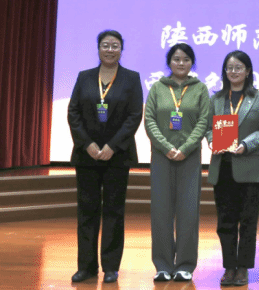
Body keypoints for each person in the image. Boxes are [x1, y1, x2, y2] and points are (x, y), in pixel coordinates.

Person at [67, 30, 143, 284]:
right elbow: (73, 112)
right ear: (98, 48)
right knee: (87, 211)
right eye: (105, 45)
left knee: (113, 211)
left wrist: (113, 145)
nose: (110, 50)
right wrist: (87, 143)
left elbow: (134, 116)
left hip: (117, 156)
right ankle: (86, 266)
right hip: (86, 155)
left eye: (115, 46)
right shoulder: (84, 77)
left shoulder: (131, 78)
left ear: (122, 49)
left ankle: (111, 266)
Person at [144, 43, 210, 282]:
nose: (181, 63)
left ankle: (185, 265)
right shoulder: (157, 88)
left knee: (188, 213)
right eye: (176, 59)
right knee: (161, 212)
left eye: (186, 59)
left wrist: (185, 148)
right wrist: (166, 147)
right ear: (169, 62)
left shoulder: (200, 89)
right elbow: (149, 120)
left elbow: (204, 121)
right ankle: (162, 265)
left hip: (190, 158)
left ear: (192, 63)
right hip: (161, 157)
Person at [206, 51, 259, 287]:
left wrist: (245, 144)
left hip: (249, 166)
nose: (233, 72)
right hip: (223, 166)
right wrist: (211, 141)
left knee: (247, 221)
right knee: (225, 221)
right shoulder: (216, 99)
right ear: (225, 72)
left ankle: (243, 267)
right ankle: (229, 267)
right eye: (229, 68)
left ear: (248, 71)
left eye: (238, 67)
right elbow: (208, 128)